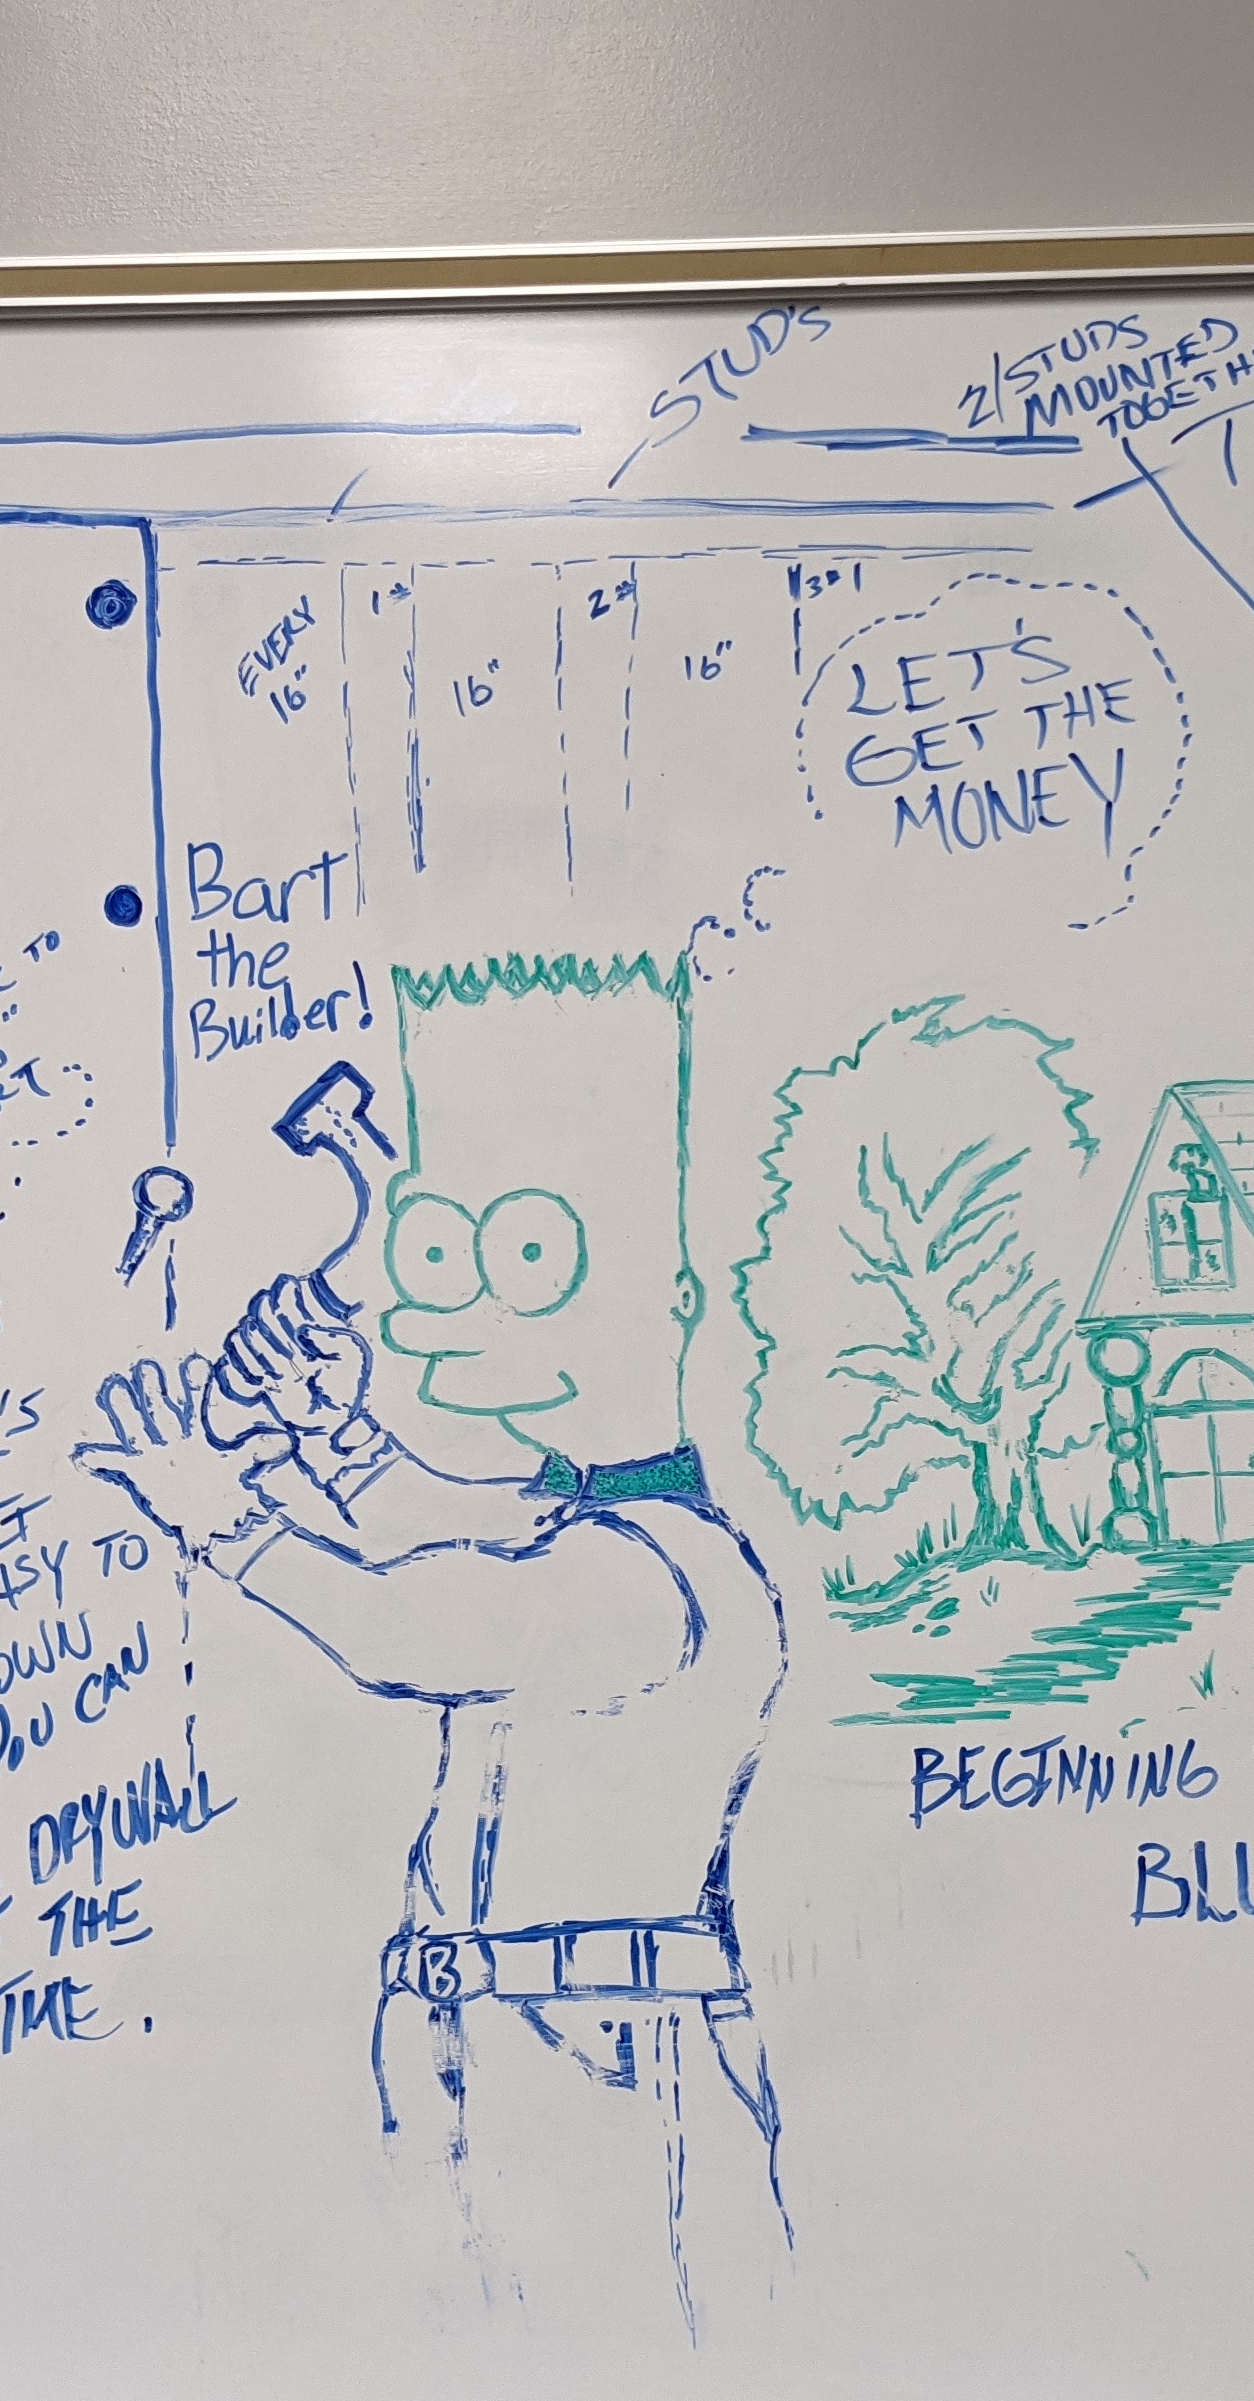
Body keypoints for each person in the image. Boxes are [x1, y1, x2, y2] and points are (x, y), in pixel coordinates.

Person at [72, 953, 786, 2326]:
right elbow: (444, 1523)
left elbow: (409, 1622)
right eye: (437, 1257)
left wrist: (219, 1514)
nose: (431, 1310)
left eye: (520, 1262)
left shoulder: (641, 1580)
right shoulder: (616, 1525)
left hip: (594, 2081)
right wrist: (330, 1435)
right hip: (526, 2049)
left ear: (659, 1300)